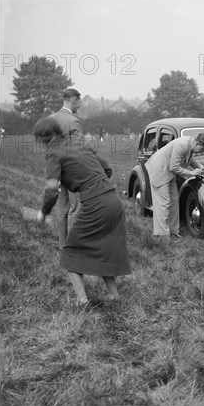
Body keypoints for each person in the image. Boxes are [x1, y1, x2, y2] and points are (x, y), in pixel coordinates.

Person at [33, 117, 131, 305]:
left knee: (70, 251)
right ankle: (113, 294)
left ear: (44, 138)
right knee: (105, 247)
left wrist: (43, 213)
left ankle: (82, 300)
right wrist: (88, 180)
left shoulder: (54, 153)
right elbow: (107, 169)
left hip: (96, 204)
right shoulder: (77, 143)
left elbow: (52, 189)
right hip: (113, 198)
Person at [145, 133, 204, 238]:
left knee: (174, 200)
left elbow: (189, 159)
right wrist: (191, 173)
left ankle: (173, 231)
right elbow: (174, 167)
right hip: (160, 170)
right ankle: (161, 235)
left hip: (168, 173)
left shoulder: (191, 144)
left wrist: (199, 166)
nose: (202, 152)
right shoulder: (182, 145)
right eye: (202, 149)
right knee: (163, 203)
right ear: (197, 143)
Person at [47, 88, 84, 250]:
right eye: (78, 103)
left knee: (61, 210)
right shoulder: (73, 121)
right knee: (75, 208)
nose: (79, 107)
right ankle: (74, 248)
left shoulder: (50, 119)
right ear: (74, 100)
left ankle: (63, 248)